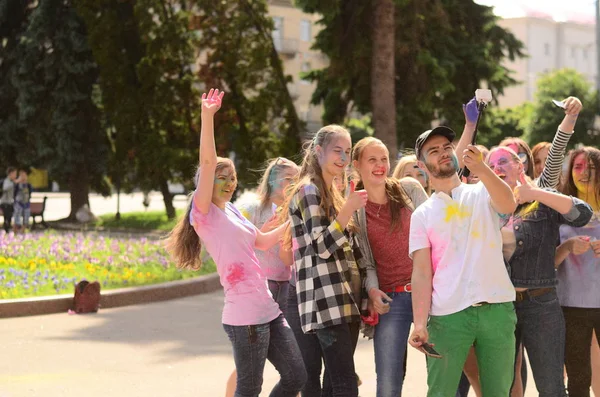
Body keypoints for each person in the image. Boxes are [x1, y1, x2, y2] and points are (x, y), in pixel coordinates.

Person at [166, 88, 306, 397]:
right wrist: (207, 116)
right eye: (223, 177)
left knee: (296, 376)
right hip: (245, 319)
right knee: (249, 388)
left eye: (233, 177)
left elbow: (263, 241)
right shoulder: (204, 214)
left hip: (268, 309)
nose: (231, 182)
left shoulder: (232, 211)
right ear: (206, 182)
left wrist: (293, 218)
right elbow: (206, 161)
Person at [408, 126, 518, 397]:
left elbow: (508, 205)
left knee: (498, 393)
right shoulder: (421, 215)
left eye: (447, 147)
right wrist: (420, 323)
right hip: (448, 317)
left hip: (497, 310)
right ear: (422, 165)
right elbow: (421, 272)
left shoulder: (482, 191)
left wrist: (482, 169)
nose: (443, 153)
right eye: (434, 151)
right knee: (440, 393)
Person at [486, 146, 592, 397]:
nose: (497, 169)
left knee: (551, 388)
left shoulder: (541, 199)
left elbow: (582, 214)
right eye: (491, 166)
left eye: (503, 162)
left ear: (520, 165)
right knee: (502, 387)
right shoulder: (485, 206)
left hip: (541, 303)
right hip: (500, 305)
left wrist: (535, 192)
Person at [283, 124, 368, 397]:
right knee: (344, 384)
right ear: (319, 151)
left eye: (347, 151)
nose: (343, 158)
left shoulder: (332, 190)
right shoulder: (308, 190)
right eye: (337, 151)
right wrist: (349, 209)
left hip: (344, 296)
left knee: (335, 384)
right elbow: (321, 246)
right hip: (324, 299)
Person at [351, 137, 428, 396]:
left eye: (384, 159)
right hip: (390, 299)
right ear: (357, 165)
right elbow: (367, 263)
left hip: (427, 295)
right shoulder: (355, 209)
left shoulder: (409, 189)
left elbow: (435, 234)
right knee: (388, 383)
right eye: (372, 160)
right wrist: (372, 291)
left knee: (446, 375)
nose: (380, 165)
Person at [555, 146, 600, 397]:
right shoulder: (559, 213)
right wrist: (568, 246)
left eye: (591, 168)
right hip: (571, 307)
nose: (584, 173)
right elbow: (547, 262)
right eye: (578, 166)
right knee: (578, 378)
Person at [1, 167, 17, 232]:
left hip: (10, 202)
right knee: (6, 217)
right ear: (10, 173)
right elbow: (5, 188)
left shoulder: (12, 181)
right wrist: (13, 183)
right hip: (5, 202)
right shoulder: (7, 181)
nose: (15, 175)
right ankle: (6, 231)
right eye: (14, 174)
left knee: (9, 217)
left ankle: (7, 231)